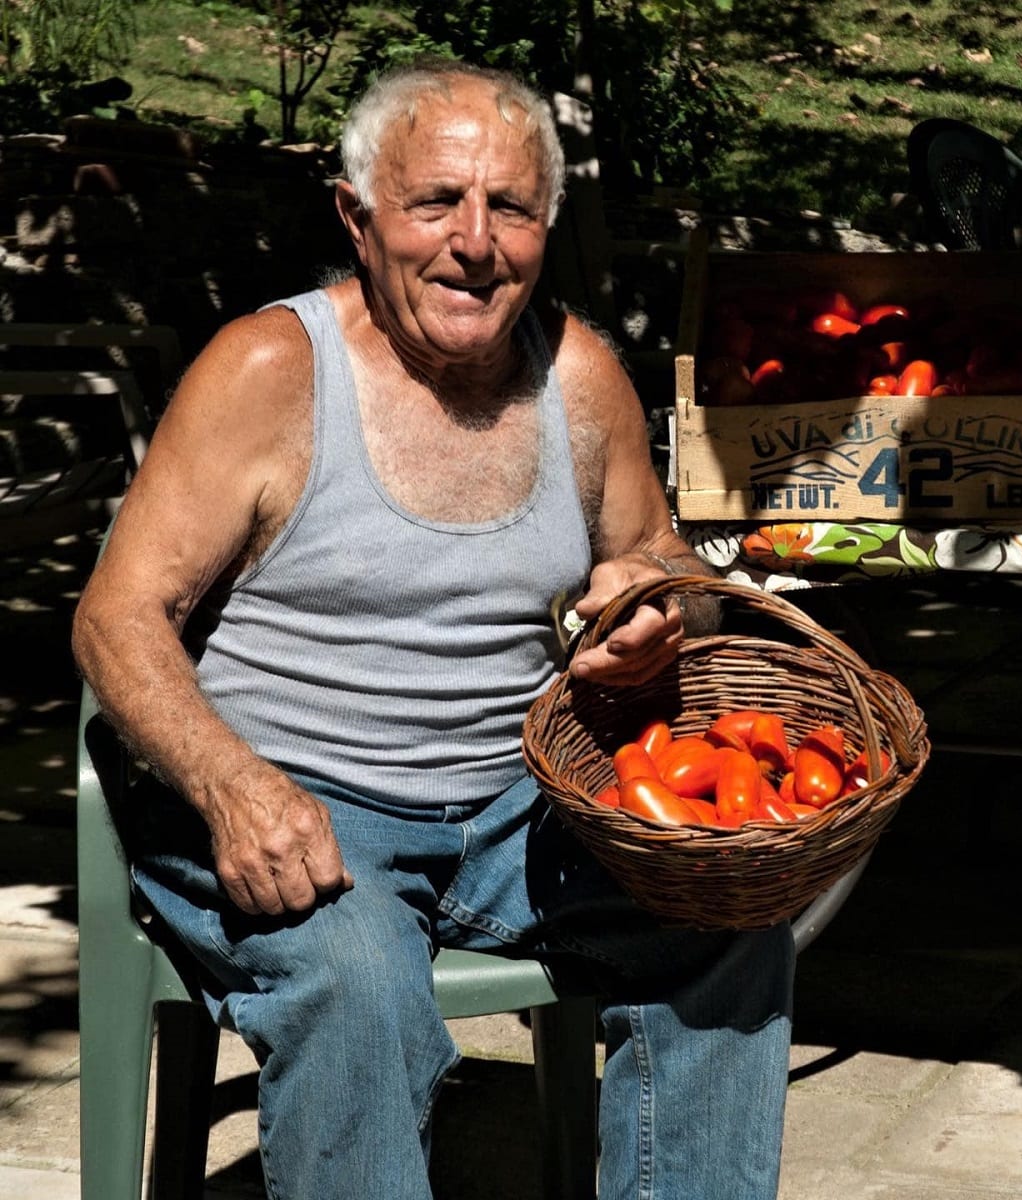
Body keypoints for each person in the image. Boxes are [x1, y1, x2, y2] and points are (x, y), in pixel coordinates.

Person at [72, 58, 796, 1200]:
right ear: (357, 219)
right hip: (298, 799)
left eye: (509, 206)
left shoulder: (580, 376)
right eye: (434, 204)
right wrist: (229, 787)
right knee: (357, 989)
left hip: (516, 807)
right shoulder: (270, 369)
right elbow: (117, 618)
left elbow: (669, 566)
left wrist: (653, 607)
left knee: (729, 919)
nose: (475, 241)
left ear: (545, 225)